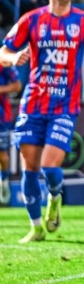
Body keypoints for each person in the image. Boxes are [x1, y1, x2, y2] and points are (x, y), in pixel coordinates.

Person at [0, 0, 84, 243]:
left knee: (51, 166)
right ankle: (36, 227)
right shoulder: (31, 20)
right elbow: (2, 51)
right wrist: (13, 58)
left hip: (65, 106)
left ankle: (55, 197)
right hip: (33, 105)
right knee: (30, 169)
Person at [0, 65, 22, 204]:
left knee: (2, 154)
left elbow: (17, 85)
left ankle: (4, 179)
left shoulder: (3, 63)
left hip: (1, 116)